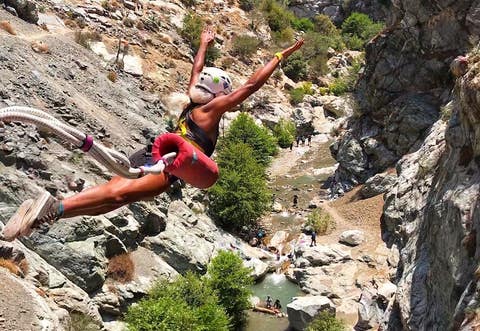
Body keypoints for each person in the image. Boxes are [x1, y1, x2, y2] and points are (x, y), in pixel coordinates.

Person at [1, 27, 304, 241]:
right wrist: (280, 55)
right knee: (116, 194)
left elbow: (196, 70)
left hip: (151, 153)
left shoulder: (192, 99)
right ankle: (56, 206)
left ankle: (46, 214)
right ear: (220, 94)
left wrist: (203, 43)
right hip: (165, 167)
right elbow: (250, 87)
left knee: (112, 201)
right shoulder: (211, 111)